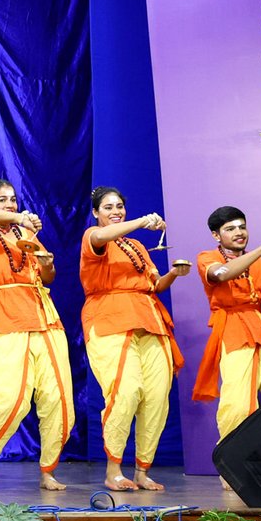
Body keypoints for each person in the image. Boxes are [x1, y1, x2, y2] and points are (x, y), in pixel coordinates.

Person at [0, 179, 72, 492]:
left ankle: (48, 470)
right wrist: (19, 217)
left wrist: (48, 265)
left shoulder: (27, 234)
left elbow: (47, 276)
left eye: (13, 199)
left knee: (59, 399)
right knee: (9, 399)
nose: (10, 204)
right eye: (2, 199)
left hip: (44, 316)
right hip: (4, 314)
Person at [79, 186, 186, 492]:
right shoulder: (93, 236)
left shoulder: (136, 246)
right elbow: (102, 237)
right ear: (96, 213)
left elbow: (154, 285)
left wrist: (174, 274)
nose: (116, 212)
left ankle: (142, 471)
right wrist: (141, 221)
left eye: (120, 206)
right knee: (125, 392)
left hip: (149, 320)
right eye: (108, 207)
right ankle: (113, 470)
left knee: (156, 397)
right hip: (110, 318)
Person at [191, 206, 261, 451]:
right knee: (239, 405)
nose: (239, 232)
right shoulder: (207, 258)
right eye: (230, 229)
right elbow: (222, 275)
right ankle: (233, 460)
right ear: (216, 235)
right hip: (234, 330)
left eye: (242, 227)